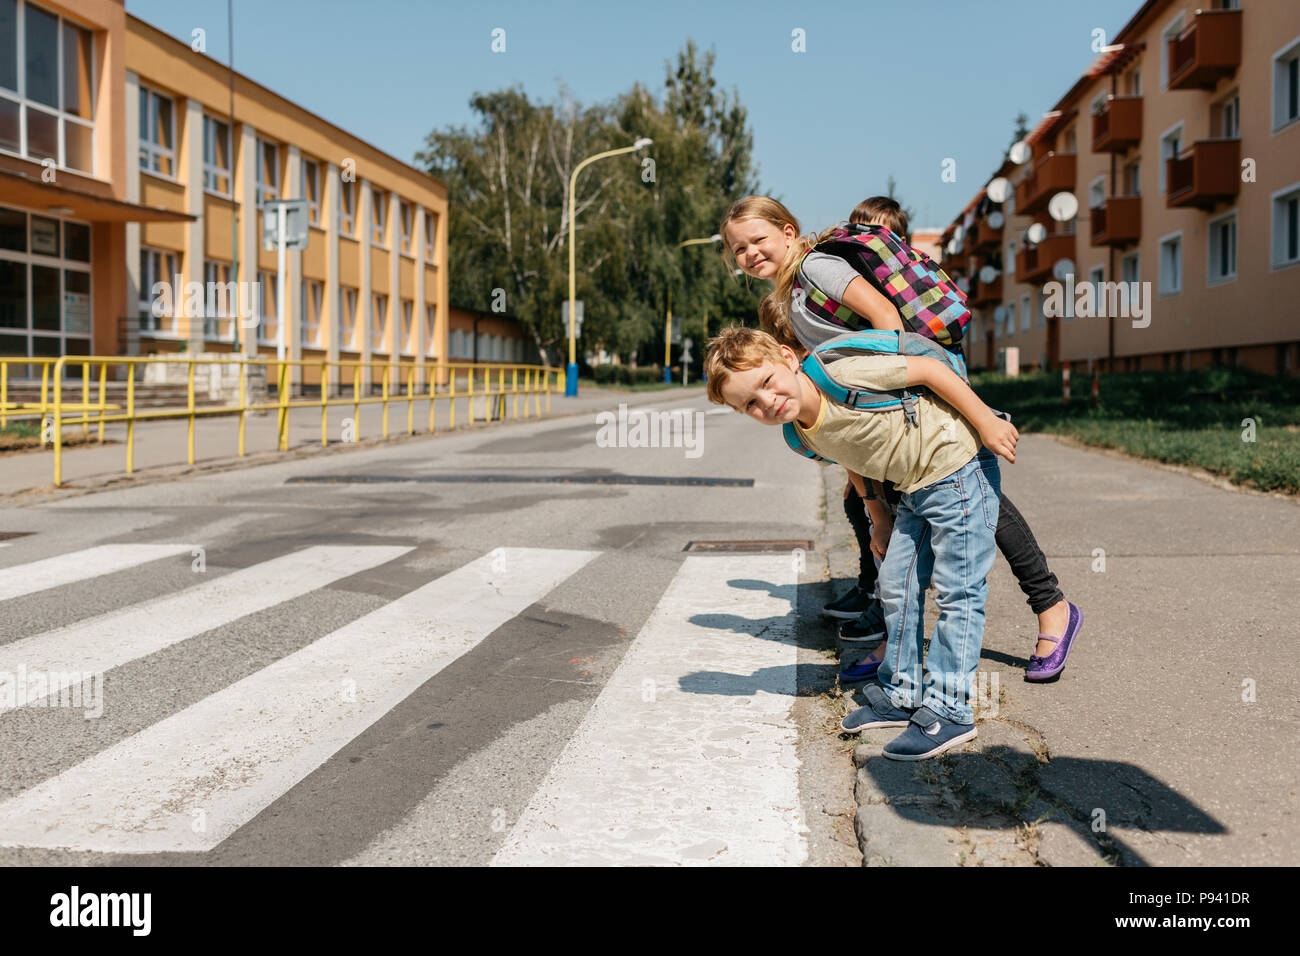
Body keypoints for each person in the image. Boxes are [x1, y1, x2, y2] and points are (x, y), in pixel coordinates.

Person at [720, 195, 1083, 682]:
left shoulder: (815, 269)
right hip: (888, 415)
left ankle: (1052, 608)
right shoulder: (791, 292)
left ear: (787, 232)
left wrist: (895, 398)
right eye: (739, 249)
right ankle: (899, 650)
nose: (750, 254)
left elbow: (886, 320)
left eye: (758, 240)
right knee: (913, 527)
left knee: (979, 503)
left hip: (910, 400)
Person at [704, 325, 1016, 760]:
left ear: (788, 359)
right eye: (750, 404)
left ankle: (951, 709)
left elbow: (927, 370)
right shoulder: (799, 435)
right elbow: (850, 455)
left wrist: (985, 420)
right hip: (915, 488)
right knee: (895, 584)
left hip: (958, 465)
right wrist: (878, 518)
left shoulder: (845, 375)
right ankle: (902, 692)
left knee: (958, 590)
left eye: (766, 383)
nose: (766, 402)